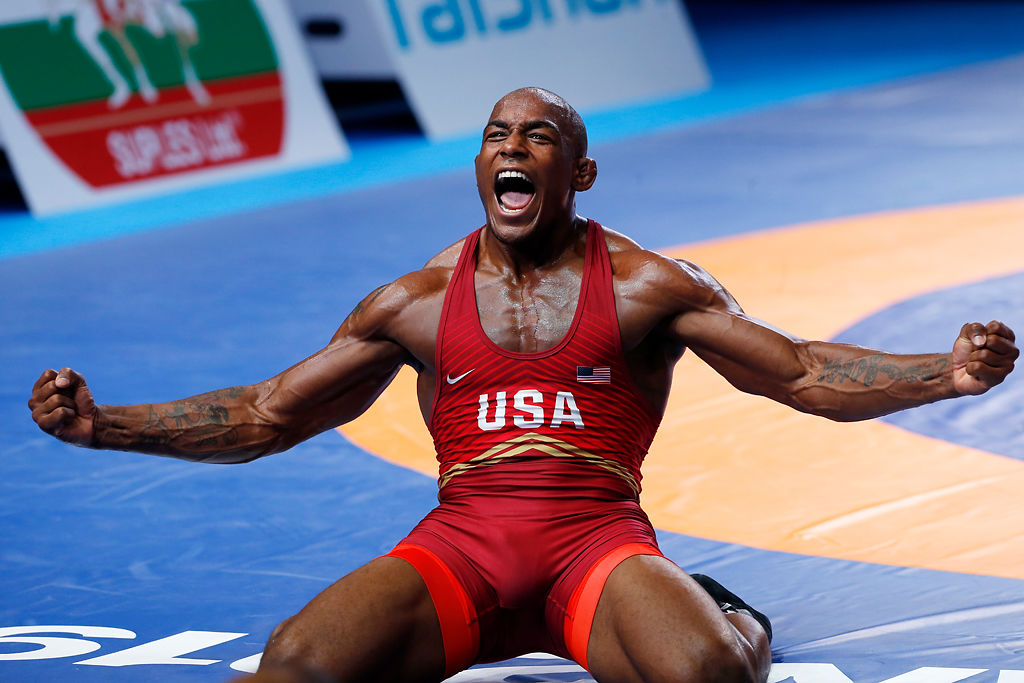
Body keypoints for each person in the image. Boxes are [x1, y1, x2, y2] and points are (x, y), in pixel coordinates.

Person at [28, 87, 1017, 683]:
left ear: (578, 173)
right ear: (478, 165)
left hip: (595, 546)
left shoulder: (647, 287)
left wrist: (945, 371)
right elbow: (267, 412)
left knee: (708, 670)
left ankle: (736, 618)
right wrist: (104, 425)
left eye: (538, 136)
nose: (512, 146)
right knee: (294, 665)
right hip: (461, 547)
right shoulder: (415, 302)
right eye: (498, 134)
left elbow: (798, 370)